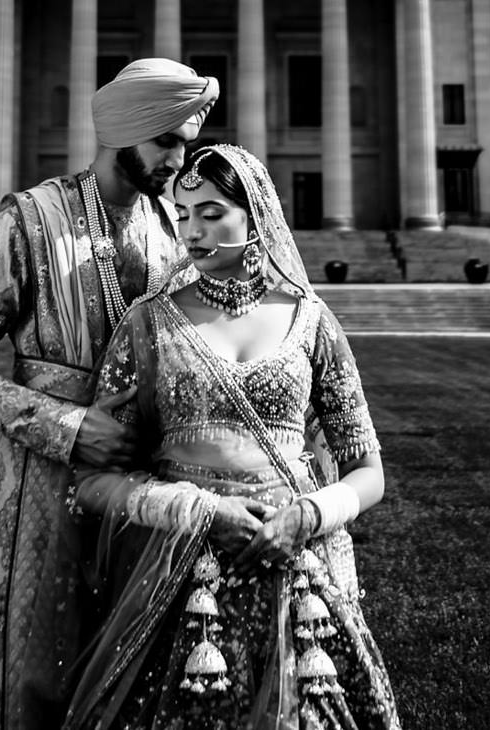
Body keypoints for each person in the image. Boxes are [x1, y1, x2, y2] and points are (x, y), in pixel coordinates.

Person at [0, 59, 220, 730]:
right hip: (40, 488)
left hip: (143, 488)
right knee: (25, 673)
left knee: (130, 678)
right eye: (168, 140)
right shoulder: (29, 219)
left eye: (187, 142)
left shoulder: (174, 230)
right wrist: (66, 426)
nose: (181, 158)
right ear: (126, 130)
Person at [63, 143, 399, 728]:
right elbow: (92, 480)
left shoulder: (311, 319)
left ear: (256, 214)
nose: (191, 230)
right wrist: (195, 510)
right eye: (183, 213)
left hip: (294, 561)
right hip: (179, 567)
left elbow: (367, 472)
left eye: (212, 212)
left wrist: (306, 517)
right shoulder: (147, 321)